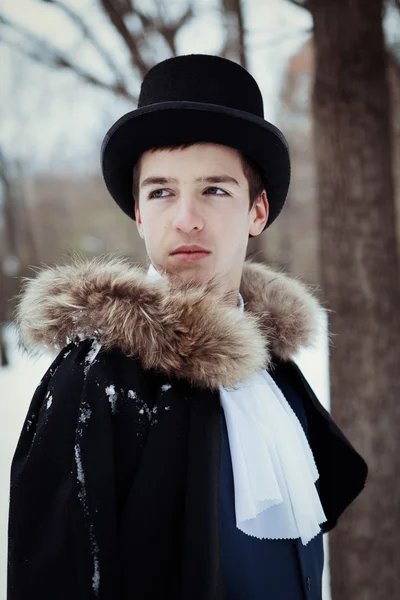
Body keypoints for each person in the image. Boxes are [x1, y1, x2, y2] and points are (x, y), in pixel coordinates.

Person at [7, 54, 368, 600]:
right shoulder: (94, 377)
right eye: (161, 192)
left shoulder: (274, 372)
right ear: (138, 213)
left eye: (215, 190)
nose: (186, 218)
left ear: (257, 211)